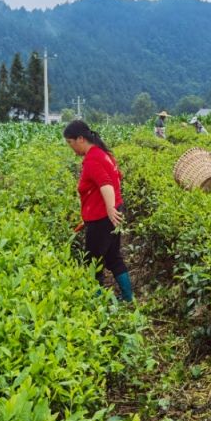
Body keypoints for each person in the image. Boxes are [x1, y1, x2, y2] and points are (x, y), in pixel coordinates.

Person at [63, 120, 133, 302]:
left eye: (70, 143)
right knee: (113, 257)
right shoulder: (104, 154)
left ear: (80, 139)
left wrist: (108, 210)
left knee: (92, 262)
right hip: (111, 213)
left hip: (103, 217)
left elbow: (106, 184)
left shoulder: (93, 158)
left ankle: (97, 303)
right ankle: (128, 299)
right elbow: (115, 179)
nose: (71, 148)